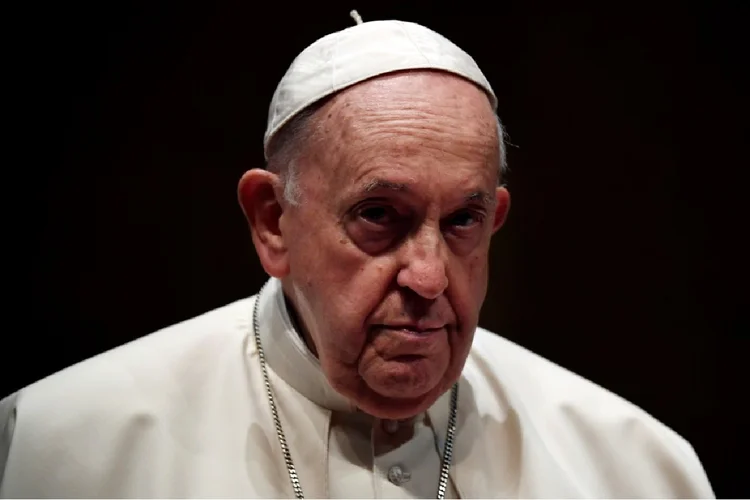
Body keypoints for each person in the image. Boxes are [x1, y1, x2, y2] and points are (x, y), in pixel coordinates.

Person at [0, 13, 714, 499]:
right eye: (380, 217)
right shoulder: (62, 443)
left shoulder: (633, 466)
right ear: (273, 221)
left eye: (463, 219)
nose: (431, 277)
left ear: (496, 218)